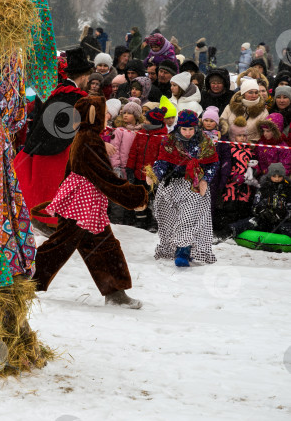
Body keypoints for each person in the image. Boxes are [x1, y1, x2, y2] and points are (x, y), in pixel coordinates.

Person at [34, 95, 149, 308]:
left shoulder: (85, 137)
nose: (107, 117)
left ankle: (115, 292)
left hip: (87, 203)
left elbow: (73, 171)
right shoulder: (89, 139)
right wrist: (135, 196)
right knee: (61, 245)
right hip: (82, 204)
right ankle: (27, 279)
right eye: (103, 112)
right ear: (94, 115)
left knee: (102, 245)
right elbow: (104, 177)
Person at [16, 48, 92, 235]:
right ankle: (48, 222)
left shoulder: (58, 92)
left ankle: (47, 220)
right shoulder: (74, 97)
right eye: (88, 77)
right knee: (53, 186)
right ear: (83, 76)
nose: (89, 81)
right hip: (57, 150)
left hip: (43, 145)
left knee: (45, 187)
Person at [151, 109, 219, 267]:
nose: (188, 132)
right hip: (172, 184)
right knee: (167, 218)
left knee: (188, 218)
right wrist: (155, 174)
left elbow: (213, 163)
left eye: (191, 129)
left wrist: (205, 179)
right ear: (179, 127)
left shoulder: (204, 142)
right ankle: (171, 247)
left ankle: (184, 250)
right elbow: (162, 161)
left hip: (194, 185)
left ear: (196, 128)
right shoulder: (169, 141)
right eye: (184, 129)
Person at [220, 78, 268, 142]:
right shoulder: (230, 107)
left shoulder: (263, 111)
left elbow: (264, 133)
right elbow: (222, 124)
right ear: (243, 93)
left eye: (256, 92)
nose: (254, 95)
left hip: (252, 148)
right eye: (250, 92)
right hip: (230, 147)